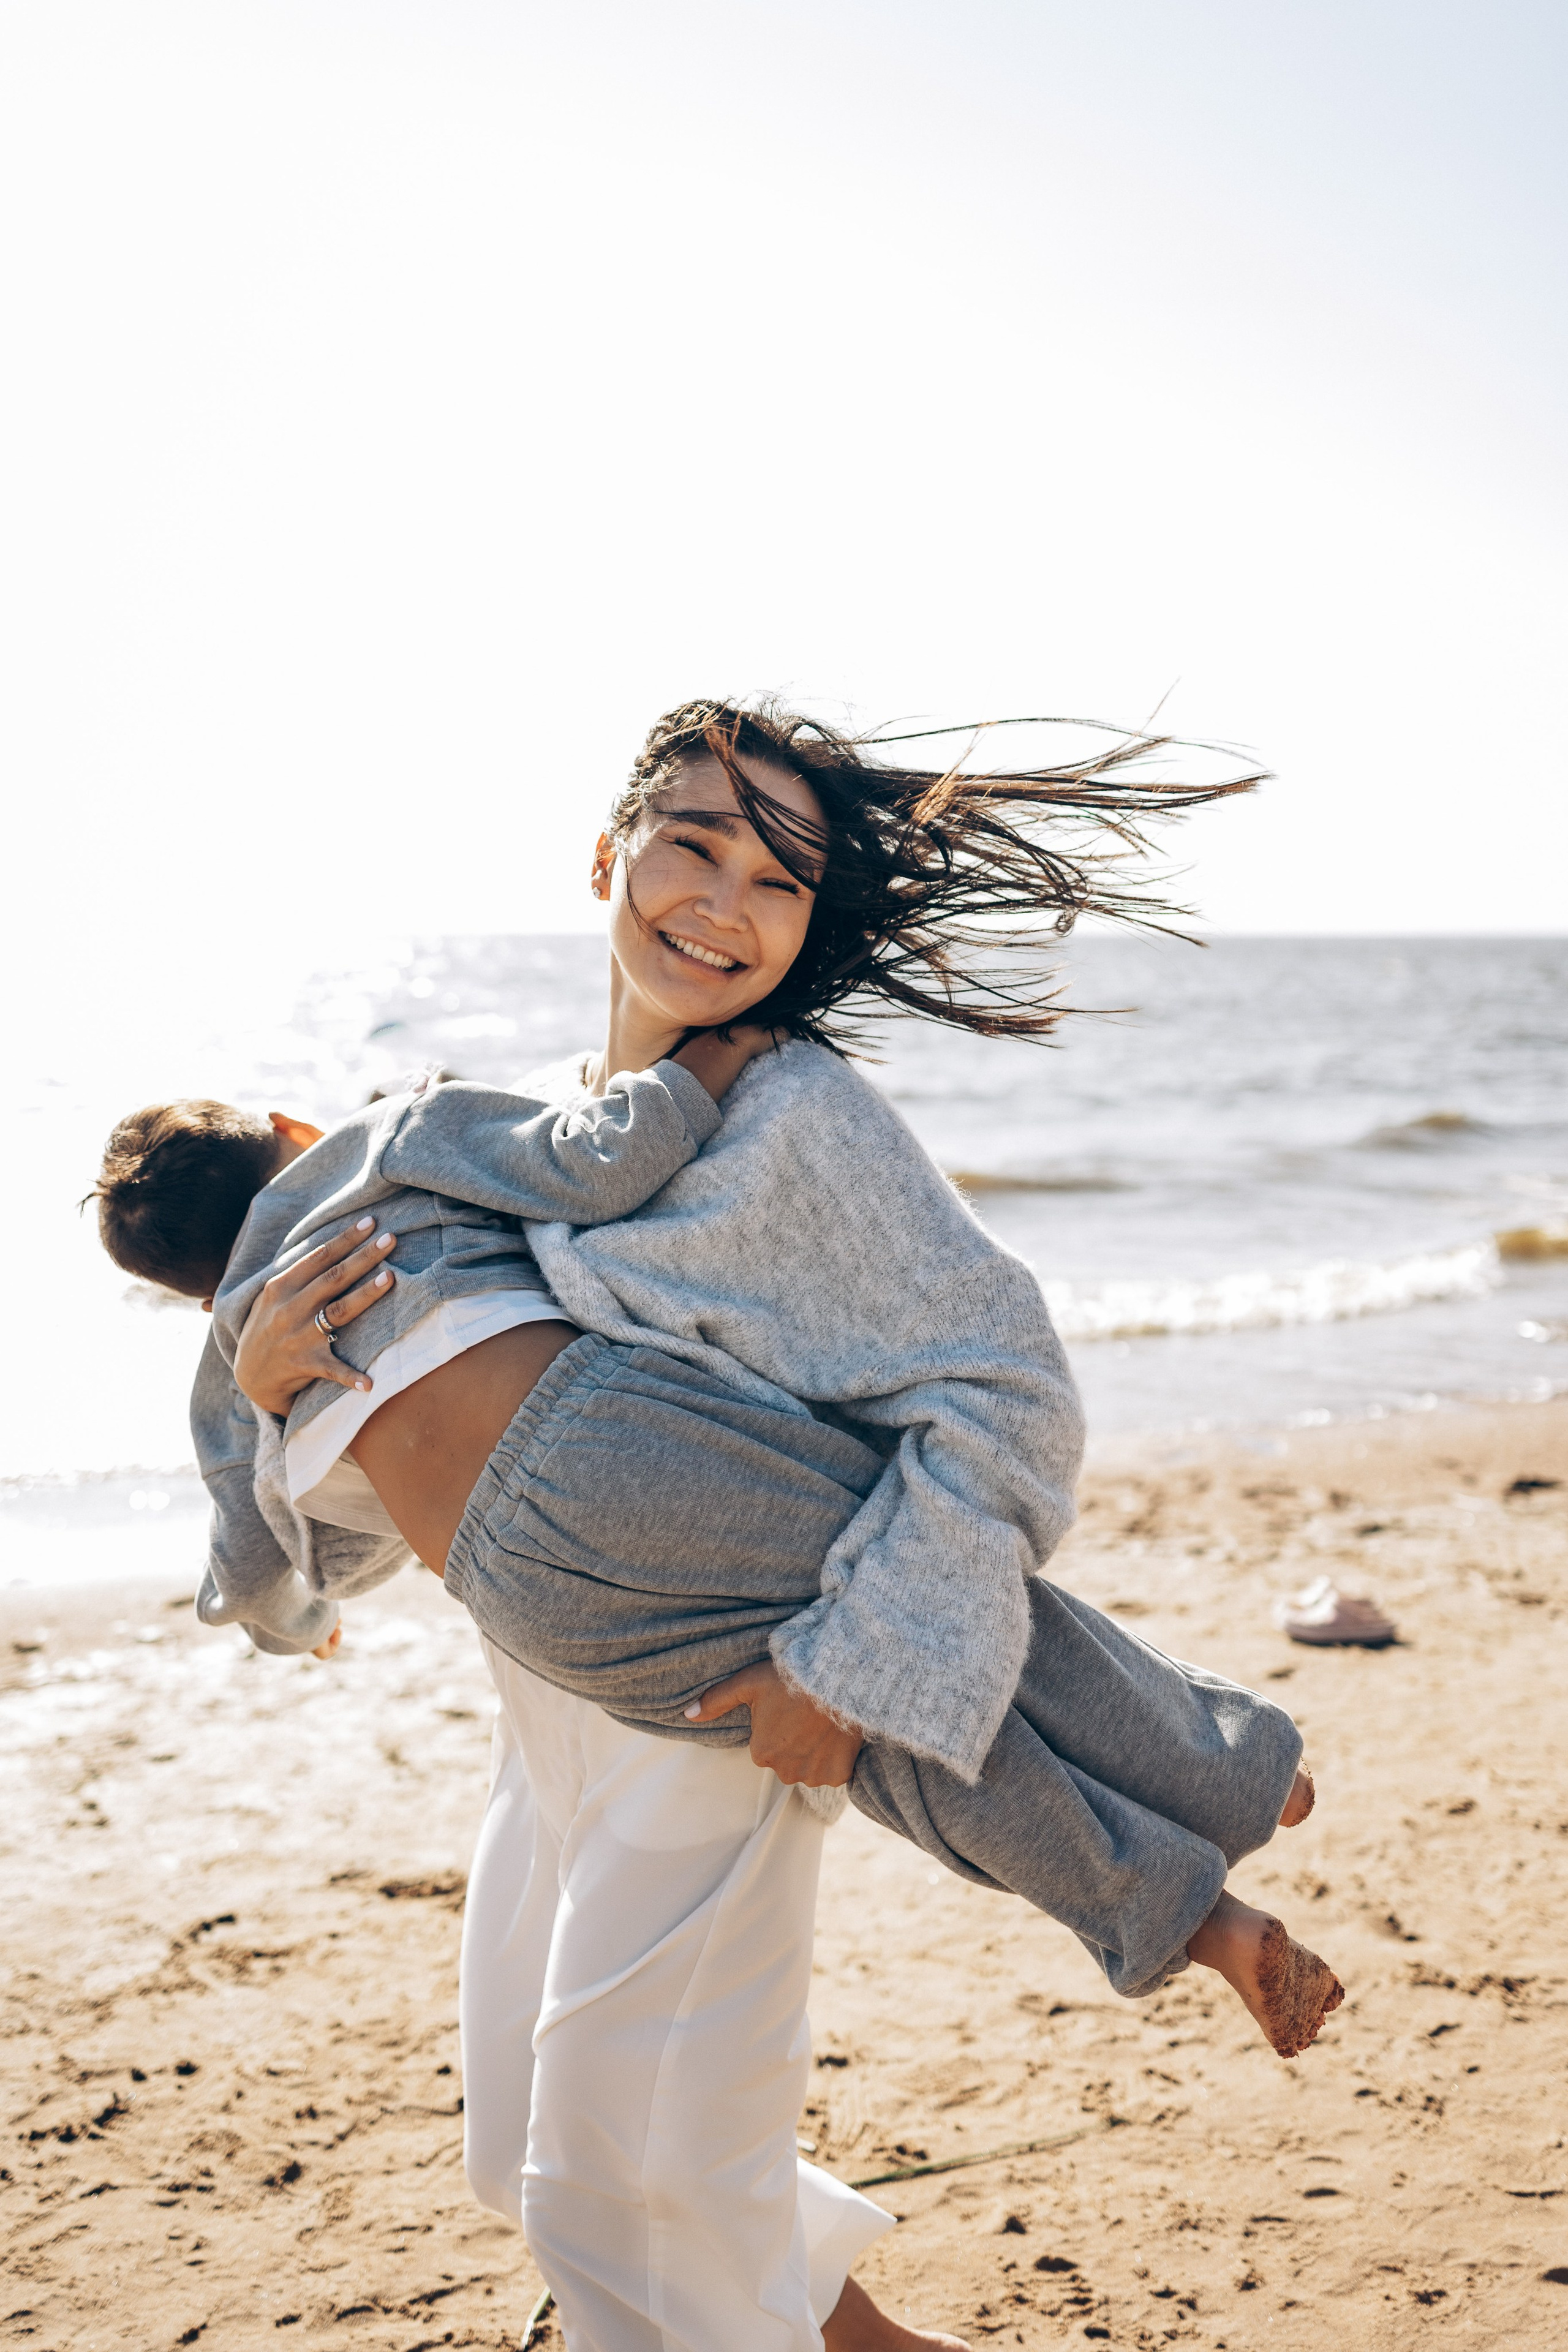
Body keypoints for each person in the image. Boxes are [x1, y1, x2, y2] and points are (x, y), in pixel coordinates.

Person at [222, 699, 1337, 2352]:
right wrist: (269, 1383)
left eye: (779, 880)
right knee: (529, 2133)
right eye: (694, 844)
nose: (724, 902)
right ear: (611, 856)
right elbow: (439, 1435)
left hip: (736, 1693)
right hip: (555, 1716)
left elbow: (1009, 1405)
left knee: (607, 2171)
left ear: (810, 931)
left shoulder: (792, 1119)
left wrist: (849, 1667)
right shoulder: (543, 1142)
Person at [89, 1049, 1329, 2029]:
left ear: (192, 1293)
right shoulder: (385, 1141)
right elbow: (590, 1161)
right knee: (903, 1614)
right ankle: (1229, 1773)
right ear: (292, 1131)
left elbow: (258, 1565)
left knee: (876, 1748)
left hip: (522, 1596)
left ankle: (1194, 1926)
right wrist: (699, 1076)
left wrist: (298, 1606)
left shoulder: (237, 1364)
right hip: (612, 1432)